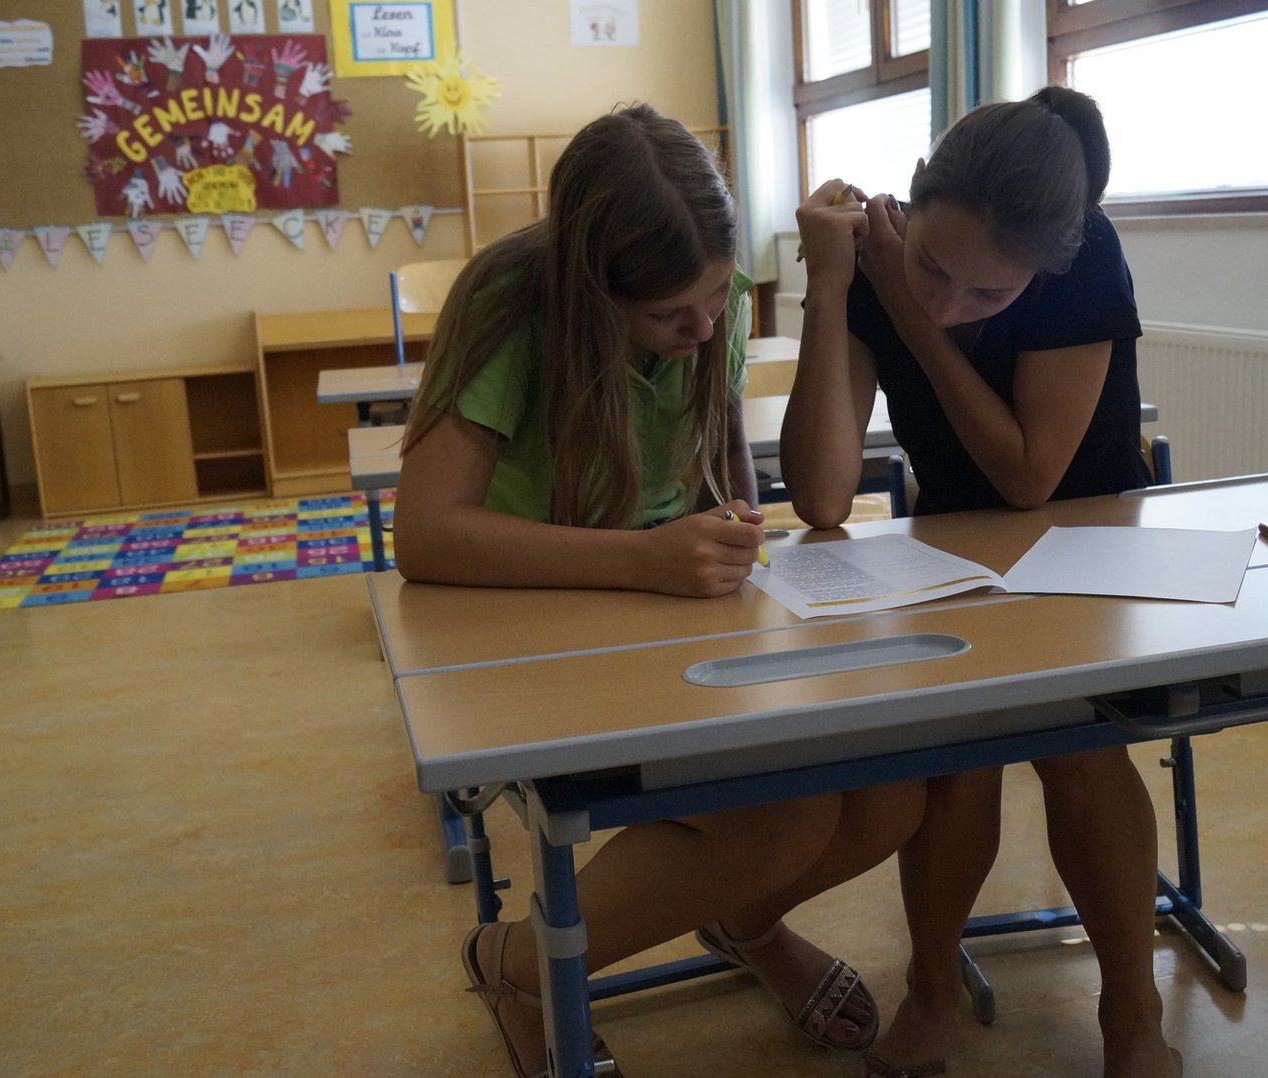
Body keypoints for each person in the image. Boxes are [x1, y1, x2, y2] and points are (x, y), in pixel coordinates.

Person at [394, 103, 926, 1077]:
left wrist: (727, 530)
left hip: (669, 617)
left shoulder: (708, 312)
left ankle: (742, 923)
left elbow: (730, 472)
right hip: (526, 626)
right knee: (782, 816)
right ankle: (518, 964)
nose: (705, 327)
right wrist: (641, 558)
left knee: (892, 789)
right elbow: (424, 533)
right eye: (669, 314)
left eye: (719, 295)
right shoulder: (512, 303)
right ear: (591, 293)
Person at [771, 87, 1184, 1077]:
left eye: (988, 297)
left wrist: (908, 308)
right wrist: (830, 288)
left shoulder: (1082, 256)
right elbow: (821, 496)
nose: (950, 305)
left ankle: (1131, 1014)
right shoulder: (867, 261)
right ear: (912, 197)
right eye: (932, 269)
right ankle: (931, 989)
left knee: (1078, 752)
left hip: (1089, 542)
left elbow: (1030, 476)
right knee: (957, 764)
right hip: (953, 553)